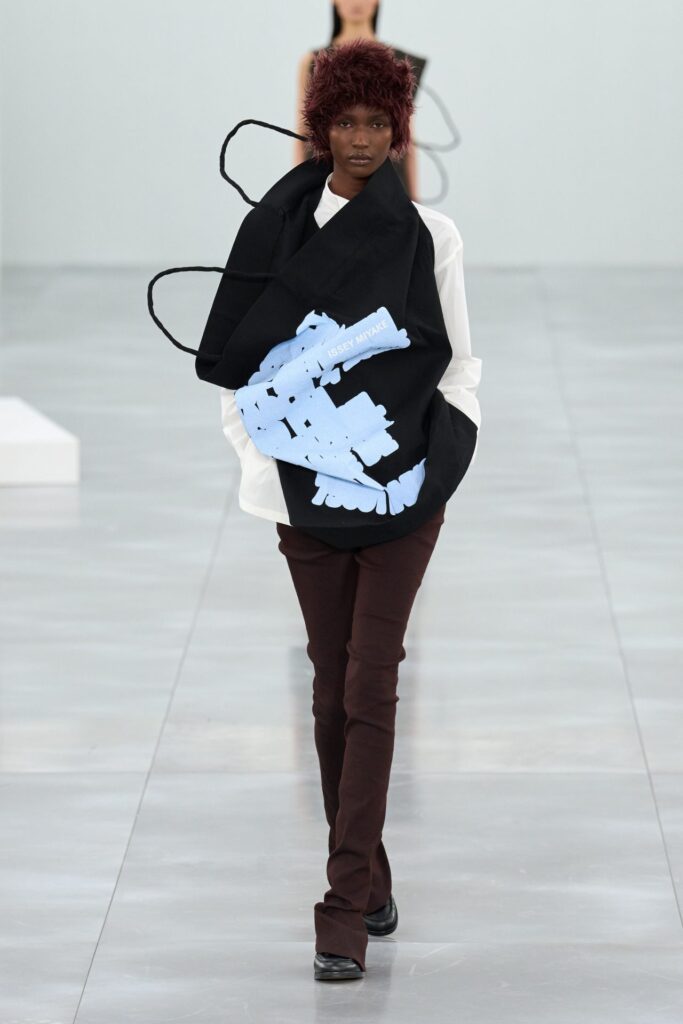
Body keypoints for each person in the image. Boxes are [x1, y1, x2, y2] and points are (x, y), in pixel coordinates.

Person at [194, 39, 482, 981]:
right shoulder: (275, 235)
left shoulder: (431, 237)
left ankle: (343, 904)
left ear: (398, 131)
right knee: (329, 691)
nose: (360, 140)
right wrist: (270, 458)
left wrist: (439, 464)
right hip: (305, 496)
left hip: (405, 490)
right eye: (345, 122)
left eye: (376, 124)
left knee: (370, 683)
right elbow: (236, 371)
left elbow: (458, 365)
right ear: (320, 129)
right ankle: (373, 872)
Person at [292, 0, 426, 199]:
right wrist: (295, 191)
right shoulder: (313, 61)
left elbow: (407, 136)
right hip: (328, 179)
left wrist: (415, 199)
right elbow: (302, 132)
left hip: (386, 182)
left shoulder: (398, 63)